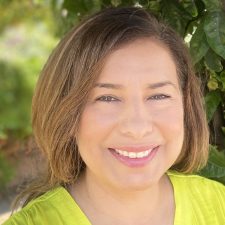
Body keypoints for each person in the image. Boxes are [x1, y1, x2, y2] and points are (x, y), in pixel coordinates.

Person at [3, 6, 225, 225]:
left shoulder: (219, 205)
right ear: (67, 114)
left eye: (158, 96)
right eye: (107, 98)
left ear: (186, 106)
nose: (137, 127)